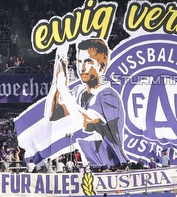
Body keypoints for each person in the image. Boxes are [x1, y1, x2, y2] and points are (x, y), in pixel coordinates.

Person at [47, 38, 128, 170]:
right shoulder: (79, 92)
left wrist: (63, 89)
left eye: (88, 61)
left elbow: (84, 121)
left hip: (111, 166)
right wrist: (58, 82)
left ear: (102, 66)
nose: (82, 68)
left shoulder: (109, 96)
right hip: (92, 166)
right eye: (79, 61)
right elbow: (54, 114)